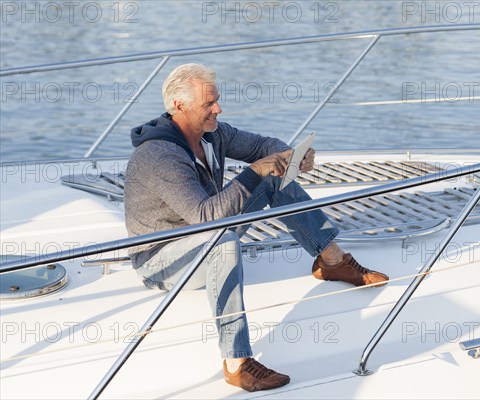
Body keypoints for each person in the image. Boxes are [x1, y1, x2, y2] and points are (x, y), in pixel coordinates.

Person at [124, 63, 389, 392]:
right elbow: (207, 217)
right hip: (161, 259)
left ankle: (332, 261)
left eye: (216, 100)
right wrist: (255, 172)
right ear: (179, 106)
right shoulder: (160, 156)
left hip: (204, 232)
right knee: (224, 241)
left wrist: (291, 156)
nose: (218, 108)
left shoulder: (212, 134)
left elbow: (264, 147)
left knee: (272, 175)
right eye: (209, 103)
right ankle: (237, 362)